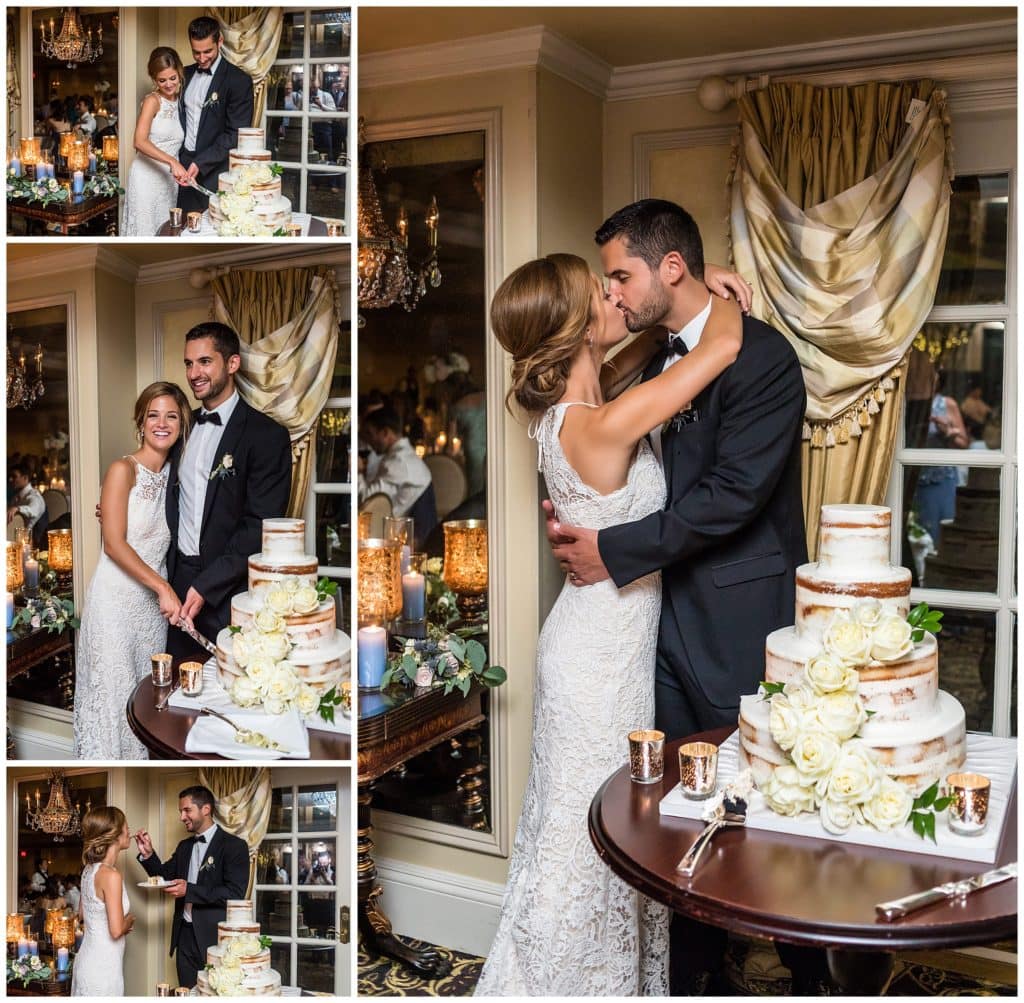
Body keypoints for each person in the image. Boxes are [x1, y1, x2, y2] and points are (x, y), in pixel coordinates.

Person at [547, 200, 817, 994]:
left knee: (763, 814)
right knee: (672, 815)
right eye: (605, 281)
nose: (615, 294)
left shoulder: (764, 359)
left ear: (670, 267)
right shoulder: (659, 356)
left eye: (621, 275)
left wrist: (613, 546)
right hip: (656, 630)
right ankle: (692, 978)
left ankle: (815, 973)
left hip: (742, 624)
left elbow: (733, 495)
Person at [474, 251, 747, 997]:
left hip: (605, 646)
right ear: (577, 327)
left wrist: (674, 308)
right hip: (596, 659)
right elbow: (720, 345)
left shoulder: (579, 407)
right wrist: (708, 285)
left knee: (591, 826)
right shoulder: (600, 423)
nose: (616, 297)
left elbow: (650, 347)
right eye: (603, 292)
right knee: (585, 834)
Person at [74, 382, 192, 759]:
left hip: (150, 614)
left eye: (171, 415)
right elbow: (114, 544)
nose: (162, 423)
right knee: (113, 700)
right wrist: (163, 587)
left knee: (145, 701)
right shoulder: (122, 470)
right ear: (140, 422)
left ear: (181, 423)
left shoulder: (179, 474)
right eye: (153, 415)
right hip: (114, 603)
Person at [164, 322, 292, 661]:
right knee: (176, 691)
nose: (194, 373)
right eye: (189, 364)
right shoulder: (180, 427)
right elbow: (160, 488)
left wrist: (207, 585)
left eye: (205, 362)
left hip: (230, 592)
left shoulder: (267, 436)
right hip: (176, 585)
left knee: (230, 696)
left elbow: (259, 525)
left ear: (232, 363)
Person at [135, 785, 249, 990]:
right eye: (180, 811)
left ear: (205, 809)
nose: (182, 816)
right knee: (186, 991)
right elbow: (165, 877)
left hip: (215, 937)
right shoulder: (184, 846)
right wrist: (148, 854)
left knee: (215, 993)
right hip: (184, 935)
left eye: (186, 810)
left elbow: (235, 894)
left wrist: (190, 890)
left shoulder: (234, 846)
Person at [176, 16, 254, 214]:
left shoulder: (239, 80)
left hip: (215, 171)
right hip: (182, 169)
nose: (201, 58)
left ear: (219, 42)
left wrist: (201, 163)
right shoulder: (183, 75)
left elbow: (235, 133)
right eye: (196, 52)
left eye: (207, 51)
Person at [121, 48, 188, 236]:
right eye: (162, 80)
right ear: (154, 79)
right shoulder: (152, 101)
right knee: (146, 231)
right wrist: (173, 162)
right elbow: (139, 141)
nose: (168, 85)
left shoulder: (181, 101)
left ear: (180, 72)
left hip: (168, 180)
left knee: (165, 230)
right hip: (146, 178)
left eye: (173, 78)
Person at [70, 807, 135, 997]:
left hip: (88, 961)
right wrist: (128, 921)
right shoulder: (111, 875)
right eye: (126, 826)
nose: (129, 830)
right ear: (114, 835)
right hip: (102, 969)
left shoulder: (89, 870)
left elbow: (83, 914)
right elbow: (115, 931)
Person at [358, 406, 436, 547]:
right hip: (402, 531)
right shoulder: (403, 455)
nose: (368, 441)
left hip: (407, 542)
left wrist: (356, 472)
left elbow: (365, 503)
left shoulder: (399, 462)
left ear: (385, 433)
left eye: (370, 434)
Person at [7, 463, 46, 546]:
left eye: (14, 476)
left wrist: (17, 508)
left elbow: (33, 510)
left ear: (25, 478)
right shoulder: (16, 496)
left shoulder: (34, 496)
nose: (10, 480)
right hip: (15, 540)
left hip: (33, 544)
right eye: (10, 476)